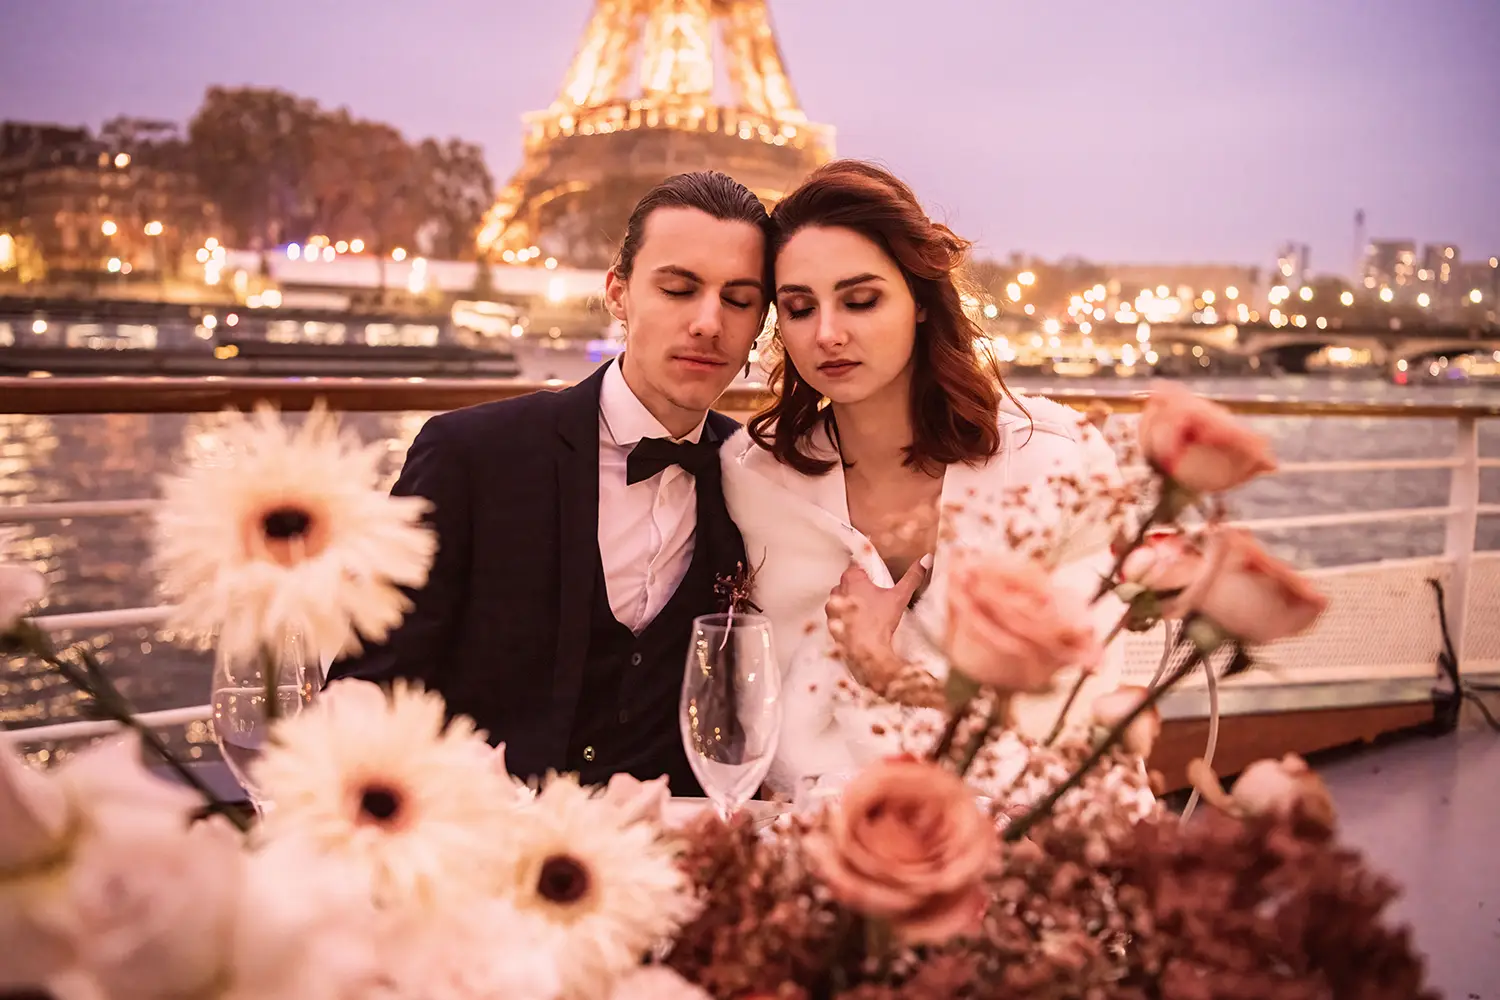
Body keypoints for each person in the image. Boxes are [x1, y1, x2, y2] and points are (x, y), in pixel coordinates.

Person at [329, 171, 772, 795]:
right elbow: (366, 689)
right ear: (617, 292)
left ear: (760, 322)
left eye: (739, 299)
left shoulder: (755, 475)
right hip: (485, 848)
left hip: (673, 852)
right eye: (678, 288)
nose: (708, 322)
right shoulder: (469, 456)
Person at [719, 160, 1126, 800]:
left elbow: (1081, 711)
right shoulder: (755, 478)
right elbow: (765, 731)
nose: (828, 333)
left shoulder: (1050, 462)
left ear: (920, 303)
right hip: (826, 838)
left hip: (1038, 829)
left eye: (860, 300)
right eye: (799, 308)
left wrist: (879, 668)